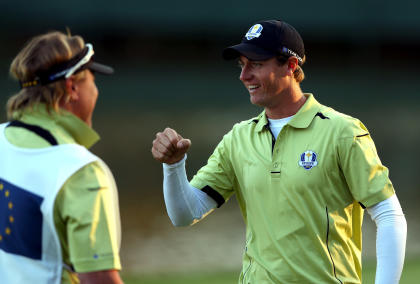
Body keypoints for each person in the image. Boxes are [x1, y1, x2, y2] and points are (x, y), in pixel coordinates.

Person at [151, 20, 407, 283]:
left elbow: (389, 217)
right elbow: (184, 214)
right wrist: (174, 166)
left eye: (256, 64)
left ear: (291, 66)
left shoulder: (342, 132)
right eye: (242, 65)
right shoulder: (238, 138)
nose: (244, 75)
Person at [0, 31, 123, 284]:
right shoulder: (80, 171)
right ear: (72, 87)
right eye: (92, 80)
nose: (96, 91)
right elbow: (99, 279)